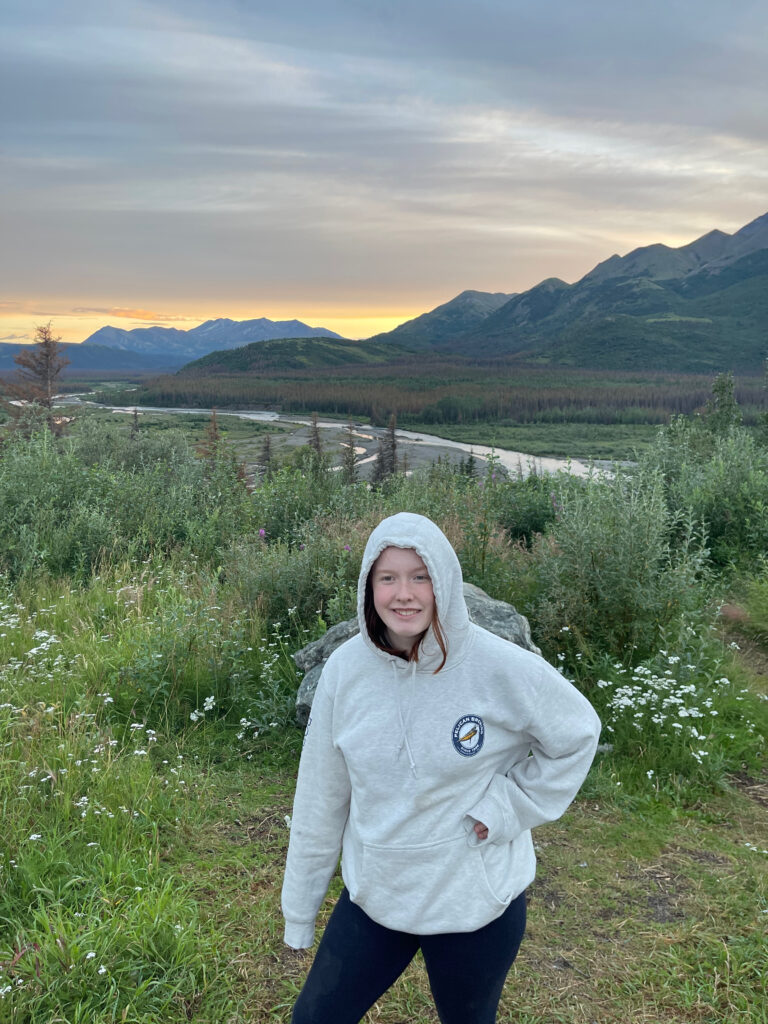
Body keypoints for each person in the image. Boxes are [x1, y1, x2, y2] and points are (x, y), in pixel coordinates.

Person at [282, 512, 601, 1024]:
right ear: (369, 587)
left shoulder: (497, 666)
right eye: (388, 577)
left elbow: (577, 733)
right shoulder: (344, 671)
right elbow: (321, 796)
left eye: (420, 576)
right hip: (377, 896)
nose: (403, 594)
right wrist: (300, 910)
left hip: (474, 902)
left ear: (444, 582)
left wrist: (509, 806)